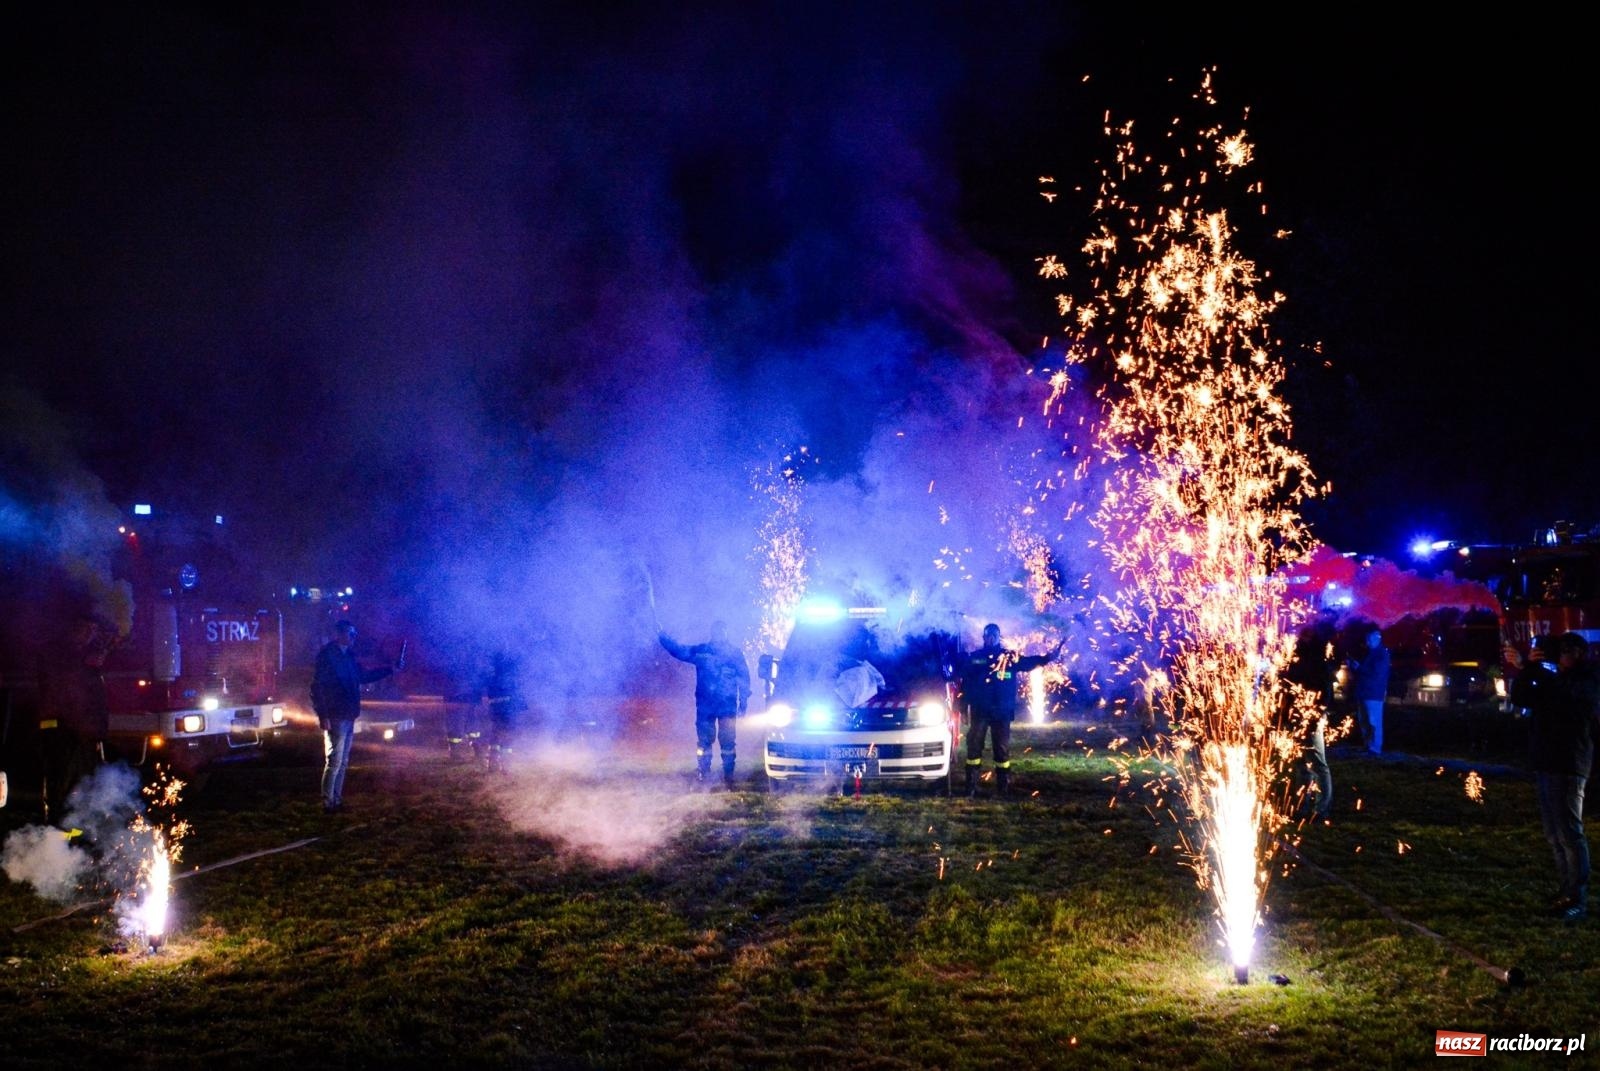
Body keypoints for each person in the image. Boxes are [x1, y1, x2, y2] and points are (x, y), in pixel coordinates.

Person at [1508, 632, 1597, 922]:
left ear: (1579, 654)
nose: (1561, 657)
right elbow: (1522, 696)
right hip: (1547, 762)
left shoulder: (1589, 680)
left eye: (1565, 651)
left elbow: (1565, 697)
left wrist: (1531, 669)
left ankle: (1577, 898)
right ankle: (1565, 891)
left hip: (1570, 765)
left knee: (1570, 833)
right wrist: (1527, 669)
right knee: (1555, 834)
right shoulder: (1556, 679)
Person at [957, 623, 1062, 798]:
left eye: (993, 635)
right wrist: (962, 706)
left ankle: (1003, 789)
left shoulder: (1009, 657)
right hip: (980, 711)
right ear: (984, 638)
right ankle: (971, 788)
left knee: (1002, 750)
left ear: (999, 637)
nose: (990, 638)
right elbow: (965, 683)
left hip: (1002, 712)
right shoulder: (975, 658)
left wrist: (1048, 658)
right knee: (973, 748)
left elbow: (1029, 662)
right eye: (987, 636)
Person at [310, 620, 395, 814]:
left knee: (343, 761)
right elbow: (317, 688)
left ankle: (336, 800)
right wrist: (323, 715)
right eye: (350, 633)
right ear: (339, 634)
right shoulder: (328, 656)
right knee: (334, 761)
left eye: (354, 633)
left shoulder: (348, 655)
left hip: (348, 714)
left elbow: (364, 676)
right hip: (336, 714)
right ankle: (327, 802)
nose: (354, 637)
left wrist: (389, 669)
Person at [659, 621, 751, 789]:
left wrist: (743, 702)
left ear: (726, 633)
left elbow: (744, 679)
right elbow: (680, 651)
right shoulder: (703, 651)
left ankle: (728, 776)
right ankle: (704, 773)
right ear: (713, 633)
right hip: (707, 706)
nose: (719, 635)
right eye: (717, 632)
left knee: (728, 743)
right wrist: (663, 638)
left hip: (725, 706)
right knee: (704, 743)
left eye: (721, 631)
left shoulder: (734, 654)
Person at [37, 614, 110, 822]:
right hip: (61, 732)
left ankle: (76, 833)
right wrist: (86, 664)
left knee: (83, 785)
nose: (90, 634)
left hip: (85, 734)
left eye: (93, 630)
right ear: (72, 628)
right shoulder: (55, 652)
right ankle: (57, 833)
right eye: (86, 628)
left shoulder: (85, 656)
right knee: (60, 785)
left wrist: (98, 733)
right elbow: (61, 684)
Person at [1285, 619, 1336, 821]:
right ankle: (1303, 805)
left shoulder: (1317, 660)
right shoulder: (1294, 658)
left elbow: (1325, 692)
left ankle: (1322, 808)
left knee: (1316, 761)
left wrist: (1316, 716)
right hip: (1295, 715)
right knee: (1300, 763)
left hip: (1311, 716)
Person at [1348, 626, 1390, 755]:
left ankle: (1375, 747)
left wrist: (1359, 668)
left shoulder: (1381, 654)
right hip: (1365, 692)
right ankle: (1368, 745)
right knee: (1365, 720)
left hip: (1373, 693)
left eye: (1369, 639)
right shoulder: (1372, 654)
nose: (1367, 642)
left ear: (1377, 638)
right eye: (1367, 639)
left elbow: (1376, 673)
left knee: (1373, 721)